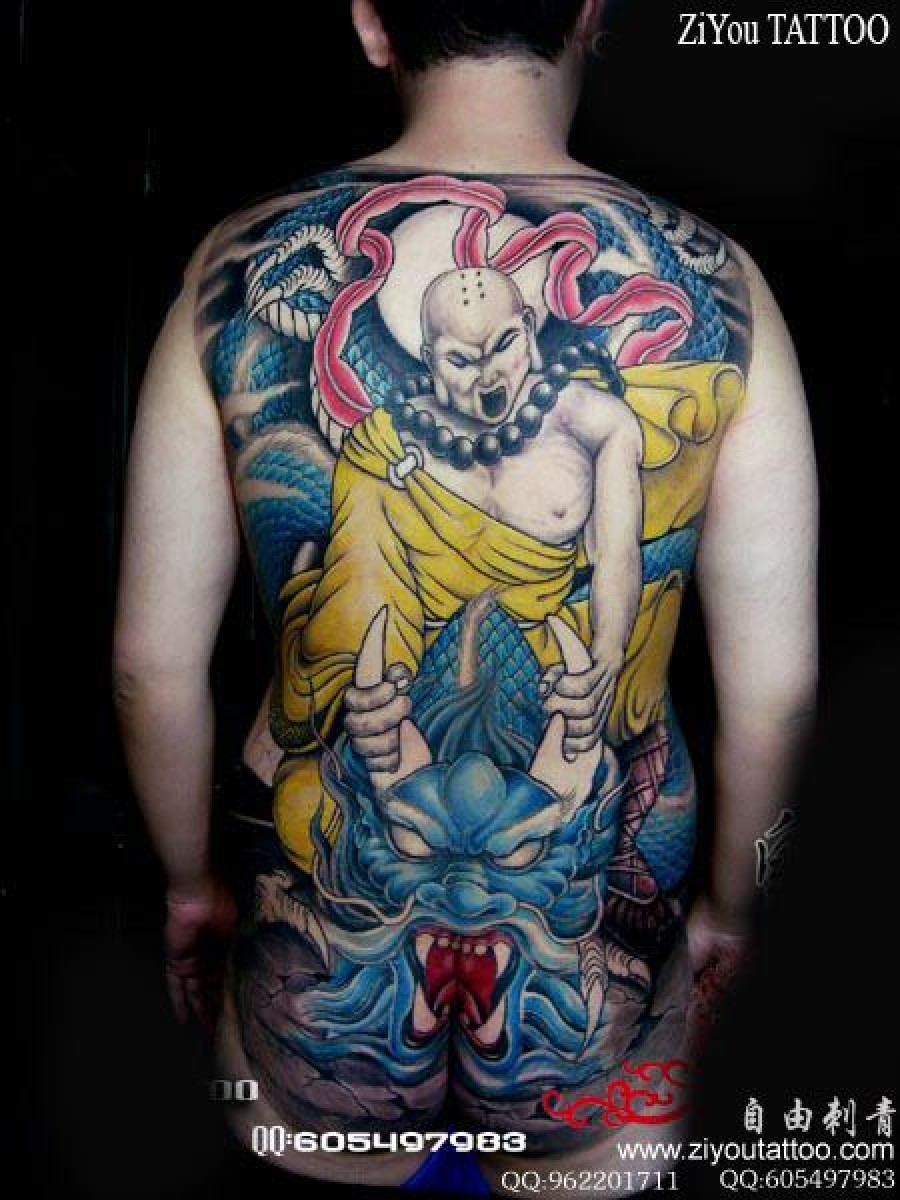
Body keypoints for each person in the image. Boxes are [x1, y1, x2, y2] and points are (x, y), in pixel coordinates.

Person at [112, 1, 818, 1196]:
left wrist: (189, 887)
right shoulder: (722, 283)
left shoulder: (231, 265)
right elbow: (779, 694)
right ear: (590, 13)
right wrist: (740, 906)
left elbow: (150, 669)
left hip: (318, 1026)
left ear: (371, 23)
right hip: (593, 1021)